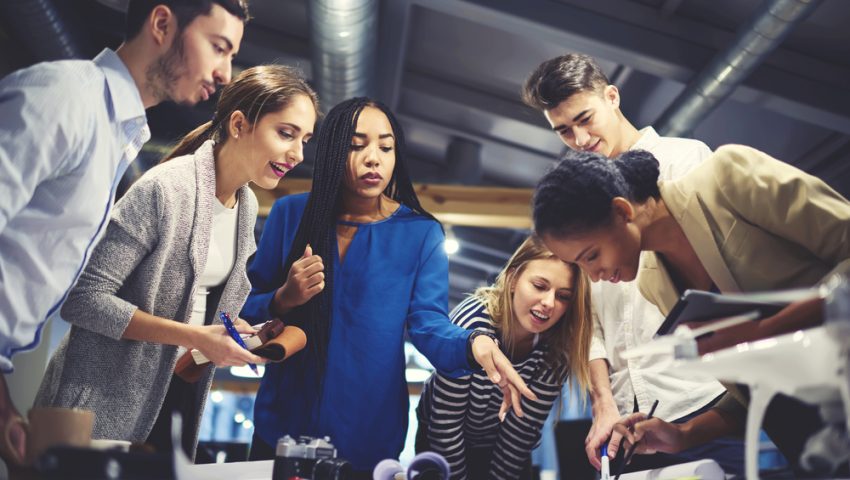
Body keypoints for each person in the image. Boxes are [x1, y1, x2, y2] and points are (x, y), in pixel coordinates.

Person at [0, 0, 248, 465]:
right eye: (218, 48)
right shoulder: (66, 97)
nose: (225, 73)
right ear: (161, 23)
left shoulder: (119, 133)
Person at [32, 65, 319, 460]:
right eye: (286, 133)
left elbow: (195, 313)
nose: (298, 154)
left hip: (177, 393)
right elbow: (83, 300)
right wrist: (195, 336)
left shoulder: (247, 204)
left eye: (305, 139)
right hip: (103, 403)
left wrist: (235, 334)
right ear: (239, 124)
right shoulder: (165, 188)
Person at [241, 97, 537, 476]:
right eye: (356, 144)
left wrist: (475, 344)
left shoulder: (420, 233)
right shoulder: (289, 214)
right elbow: (246, 309)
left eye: (386, 146)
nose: (373, 158)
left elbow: (428, 324)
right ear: (333, 149)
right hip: (280, 427)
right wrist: (285, 298)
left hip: (368, 435)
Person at [532, 145, 850, 472]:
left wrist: (767, 330)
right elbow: (749, 391)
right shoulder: (654, 283)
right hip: (812, 440)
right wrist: (682, 435)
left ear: (621, 211)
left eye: (591, 255)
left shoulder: (726, 177)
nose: (593, 276)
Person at [521, 53, 738, 472]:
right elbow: (591, 324)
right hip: (627, 418)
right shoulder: (577, 201)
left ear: (612, 96)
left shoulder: (685, 161)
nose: (580, 139)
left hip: (703, 397)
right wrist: (602, 404)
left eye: (585, 119)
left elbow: (723, 277)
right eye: (563, 130)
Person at [414, 236, 592, 479]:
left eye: (563, 296)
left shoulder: (556, 351)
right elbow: (446, 424)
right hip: (441, 437)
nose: (549, 302)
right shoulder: (474, 322)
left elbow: (518, 437)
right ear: (512, 280)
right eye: (540, 286)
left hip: (497, 444)